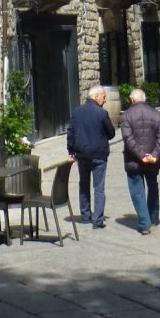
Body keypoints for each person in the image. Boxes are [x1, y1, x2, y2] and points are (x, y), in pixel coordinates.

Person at [65, 84, 116, 228]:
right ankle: (98, 219)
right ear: (96, 96)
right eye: (103, 97)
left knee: (84, 184)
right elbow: (111, 133)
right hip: (99, 154)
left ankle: (85, 215)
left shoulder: (77, 112)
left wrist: (71, 151)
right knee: (99, 187)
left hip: (82, 154)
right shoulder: (101, 113)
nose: (105, 100)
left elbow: (71, 133)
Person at [119, 88, 160, 235]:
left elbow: (128, 140)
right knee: (153, 186)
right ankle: (153, 217)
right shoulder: (156, 113)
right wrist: (154, 155)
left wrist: (141, 156)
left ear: (132, 100)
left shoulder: (126, 115)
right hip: (152, 160)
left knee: (137, 191)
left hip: (134, 160)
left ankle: (144, 223)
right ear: (144, 99)